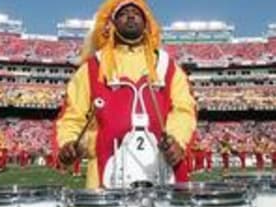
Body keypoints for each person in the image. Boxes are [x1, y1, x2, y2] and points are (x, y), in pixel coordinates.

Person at [55, 0, 196, 188]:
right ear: (111, 23)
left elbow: (183, 110)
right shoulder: (92, 68)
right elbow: (72, 116)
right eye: (123, 13)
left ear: (147, 23)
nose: (131, 16)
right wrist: (70, 143)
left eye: (136, 13)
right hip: (105, 173)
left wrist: (176, 141)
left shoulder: (167, 66)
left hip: (162, 168)